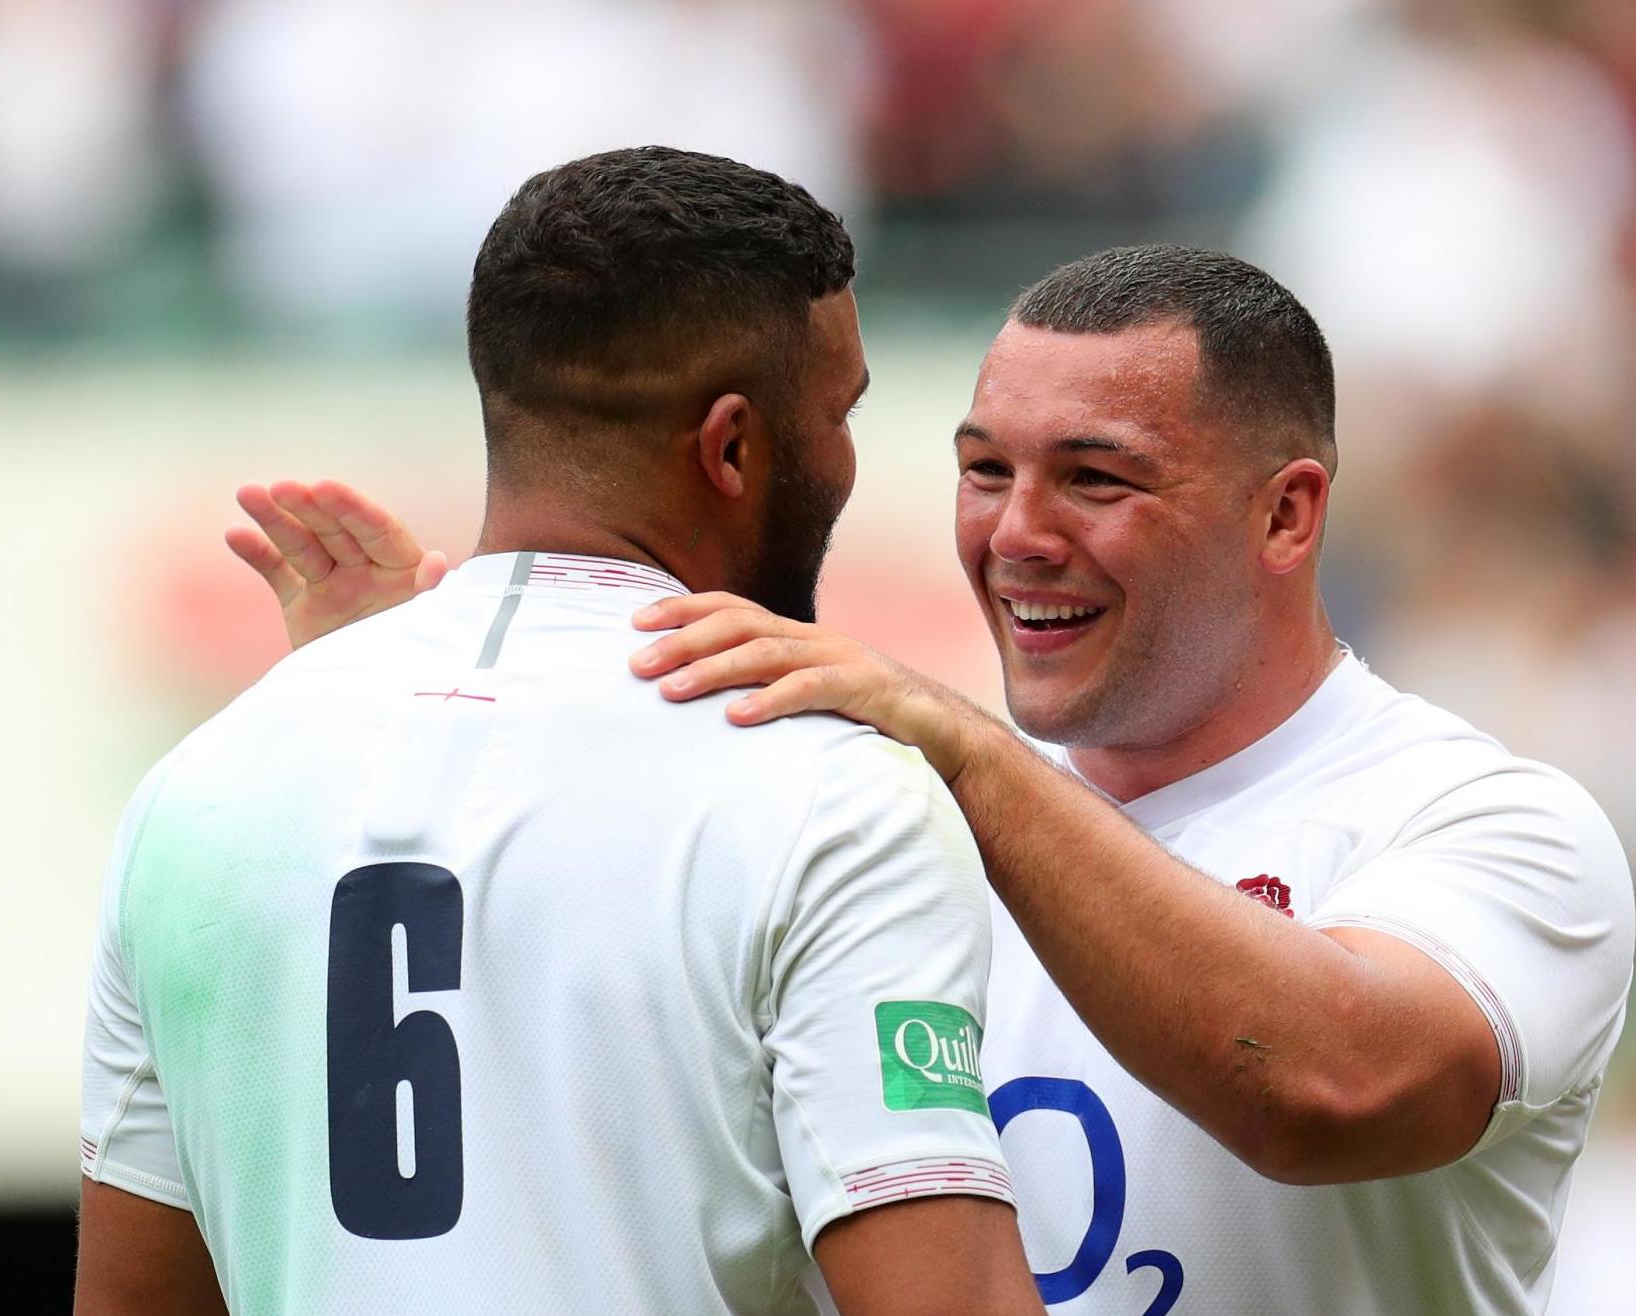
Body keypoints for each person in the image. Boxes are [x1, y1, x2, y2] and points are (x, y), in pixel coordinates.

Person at [244, 245, 1635, 1315]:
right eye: (984, 472)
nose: (1016, 535)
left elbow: (1328, 1085)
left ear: (1284, 512)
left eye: (1092, 479)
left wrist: (960, 749)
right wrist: (419, 732)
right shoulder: (881, 810)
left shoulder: (1487, 825)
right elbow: (570, 1081)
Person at [77, 147, 1044, 1316]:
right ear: (731, 447)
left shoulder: (198, 785)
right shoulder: (833, 794)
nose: (845, 455)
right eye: (841, 413)